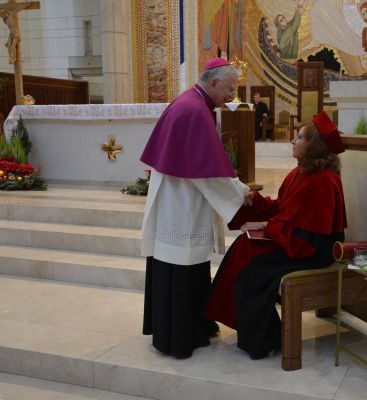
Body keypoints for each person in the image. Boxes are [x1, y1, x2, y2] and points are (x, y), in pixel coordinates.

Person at [205, 111, 347, 360]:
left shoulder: (325, 181)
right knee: (243, 246)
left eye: (300, 137)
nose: (293, 141)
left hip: (312, 249)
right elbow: (283, 208)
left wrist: (264, 226)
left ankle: (265, 339)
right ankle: (256, 330)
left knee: (254, 267)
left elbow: (313, 233)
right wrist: (255, 201)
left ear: (315, 146)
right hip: (295, 239)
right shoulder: (298, 173)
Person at [140, 57, 251, 359]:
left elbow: (206, 164)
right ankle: (181, 336)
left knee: (182, 266)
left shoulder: (193, 103)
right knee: (183, 264)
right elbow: (209, 174)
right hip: (182, 204)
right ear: (213, 82)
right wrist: (241, 194)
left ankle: (187, 327)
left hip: (178, 199)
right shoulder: (194, 110)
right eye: (230, 89)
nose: (232, 96)